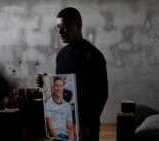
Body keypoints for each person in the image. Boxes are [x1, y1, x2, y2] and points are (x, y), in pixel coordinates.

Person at [36, 7, 108, 141]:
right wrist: (46, 83)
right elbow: (64, 88)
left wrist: (88, 125)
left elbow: (101, 95)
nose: (60, 31)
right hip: (62, 122)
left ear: (79, 26)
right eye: (57, 27)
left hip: (86, 127)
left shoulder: (93, 56)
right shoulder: (61, 55)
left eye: (65, 27)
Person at [45, 76, 74, 141]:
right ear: (53, 87)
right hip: (58, 136)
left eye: (60, 86)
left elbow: (70, 126)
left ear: (63, 88)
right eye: (56, 85)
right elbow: (50, 127)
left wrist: (70, 139)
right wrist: (57, 138)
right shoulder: (49, 103)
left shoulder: (67, 106)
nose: (58, 88)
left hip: (67, 136)